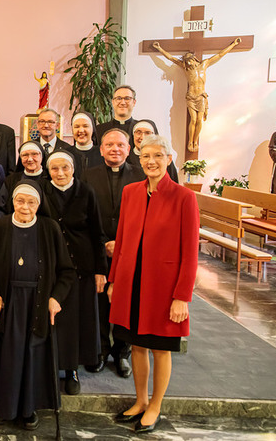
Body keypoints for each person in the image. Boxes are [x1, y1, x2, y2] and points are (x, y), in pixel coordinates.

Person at [108, 134, 199, 434]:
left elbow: (190, 252)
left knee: (160, 348)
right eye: (146, 156)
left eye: (158, 156)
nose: (151, 162)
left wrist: (182, 296)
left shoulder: (184, 198)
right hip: (132, 282)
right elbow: (122, 239)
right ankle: (141, 401)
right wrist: (114, 280)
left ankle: (156, 406)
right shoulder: (131, 192)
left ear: (169, 159)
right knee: (136, 345)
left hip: (163, 287)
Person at [0, 181, 75, 428]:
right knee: (9, 355)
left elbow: (66, 271)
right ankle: (5, 407)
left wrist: (56, 298)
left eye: (31, 202)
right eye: (20, 201)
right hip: (8, 301)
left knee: (33, 354)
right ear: (12, 202)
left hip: (38, 302)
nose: (25, 207)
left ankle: (29, 408)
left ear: (39, 205)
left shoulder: (50, 229)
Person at [41, 151, 107, 395]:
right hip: (51, 266)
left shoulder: (86, 191)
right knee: (54, 319)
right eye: (55, 169)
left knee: (77, 320)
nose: (60, 173)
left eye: (65, 168)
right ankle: (50, 366)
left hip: (82, 265)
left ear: (73, 169)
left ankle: (72, 370)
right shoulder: (42, 190)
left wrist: (100, 270)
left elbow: (97, 232)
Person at [81, 128, 145, 378]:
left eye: (120, 145)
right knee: (98, 303)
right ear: (101, 149)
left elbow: (144, 216)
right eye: (109, 145)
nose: (115, 149)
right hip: (97, 249)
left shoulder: (140, 175)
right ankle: (99, 351)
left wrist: (121, 243)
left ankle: (122, 353)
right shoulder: (88, 175)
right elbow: (84, 214)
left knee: (124, 303)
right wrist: (104, 243)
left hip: (129, 251)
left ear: (128, 149)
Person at [153, 38, 242, 152]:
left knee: (199, 120)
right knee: (193, 120)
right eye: (186, 61)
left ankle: (195, 141)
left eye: (189, 60)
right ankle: (190, 141)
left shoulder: (204, 64)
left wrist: (233, 44)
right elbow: (171, 58)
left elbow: (220, 55)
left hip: (201, 96)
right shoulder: (186, 69)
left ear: (194, 59)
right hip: (191, 96)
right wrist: (159, 48)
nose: (188, 63)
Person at [0, 141, 48, 214]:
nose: (30, 159)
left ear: (42, 156)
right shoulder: (11, 180)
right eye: (25, 155)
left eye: (34, 154)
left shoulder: (49, 179)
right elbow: (0, 207)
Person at [67, 111, 103, 180]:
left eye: (85, 126)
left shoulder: (102, 154)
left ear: (92, 129)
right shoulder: (66, 155)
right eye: (76, 127)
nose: (81, 130)